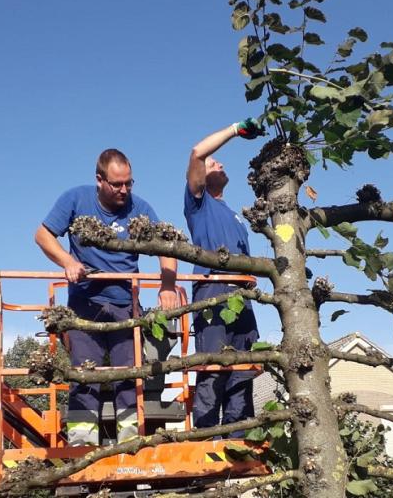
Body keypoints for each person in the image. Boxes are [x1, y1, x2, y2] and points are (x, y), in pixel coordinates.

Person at [35, 149, 178, 446]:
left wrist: (166, 284)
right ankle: (81, 446)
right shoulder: (75, 199)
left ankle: (129, 444)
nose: (124, 190)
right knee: (85, 375)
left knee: (129, 375)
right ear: (99, 180)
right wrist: (68, 262)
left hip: (126, 304)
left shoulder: (141, 209)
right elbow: (43, 235)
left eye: (129, 183)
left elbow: (168, 248)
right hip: (85, 305)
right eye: (117, 184)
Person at [184, 118, 263, 436]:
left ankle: (237, 443)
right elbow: (197, 152)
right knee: (214, 371)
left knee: (242, 374)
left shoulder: (236, 216)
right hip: (213, 290)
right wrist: (235, 130)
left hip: (243, 297)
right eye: (215, 162)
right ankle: (206, 443)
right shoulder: (198, 204)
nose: (220, 162)